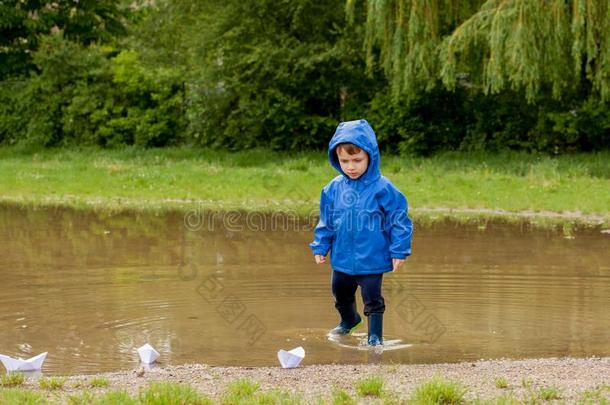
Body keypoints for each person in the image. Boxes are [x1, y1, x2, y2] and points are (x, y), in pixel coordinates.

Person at [309, 119, 413, 346]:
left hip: (372, 259)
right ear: (336, 159)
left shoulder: (383, 188)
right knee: (340, 294)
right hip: (342, 259)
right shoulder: (333, 188)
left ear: (370, 156)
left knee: (373, 300)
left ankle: (374, 337)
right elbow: (327, 221)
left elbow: (399, 221)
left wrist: (399, 250)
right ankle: (349, 319)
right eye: (344, 160)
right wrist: (321, 245)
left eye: (357, 160)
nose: (351, 166)